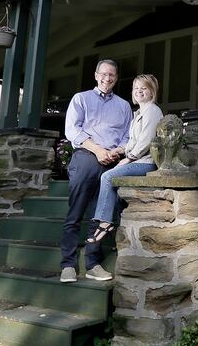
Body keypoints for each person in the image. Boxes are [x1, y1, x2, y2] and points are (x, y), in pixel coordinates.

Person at [60, 59, 132, 283]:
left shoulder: (124, 106)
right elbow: (73, 130)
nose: (107, 79)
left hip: (112, 159)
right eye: (103, 74)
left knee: (102, 211)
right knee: (78, 208)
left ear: (116, 78)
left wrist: (117, 151)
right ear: (95, 75)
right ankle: (68, 265)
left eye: (111, 75)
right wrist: (98, 150)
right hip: (87, 154)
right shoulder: (81, 99)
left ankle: (92, 263)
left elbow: (129, 137)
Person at [87, 74, 163, 243]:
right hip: (137, 160)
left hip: (146, 163)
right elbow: (132, 142)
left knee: (107, 176)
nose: (139, 91)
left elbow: (146, 142)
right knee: (114, 183)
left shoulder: (152, 111)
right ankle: (118, 232)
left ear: (152, 92)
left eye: (143, 88)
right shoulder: (138, 113)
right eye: (136, 88)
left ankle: (105, 222)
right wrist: (119, 151)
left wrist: (128, 159)